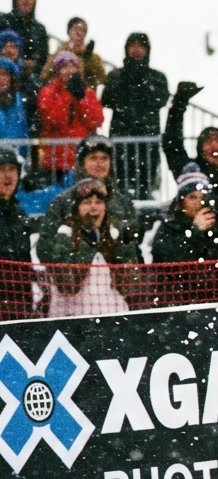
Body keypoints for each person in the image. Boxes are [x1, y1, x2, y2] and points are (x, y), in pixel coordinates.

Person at [36, 178, 141, 316]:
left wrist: (125, 246)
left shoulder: (113, 236)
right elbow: (68, 287)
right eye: (86, 203)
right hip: (73, 319)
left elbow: (130, 286)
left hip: (112, 316)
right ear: (75, 209)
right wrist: (89, 250)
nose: (93, 207)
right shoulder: (64, 235)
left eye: (99, 202)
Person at [101, 32, 168, 200]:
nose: (136, 50)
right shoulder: (116, 76)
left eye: (141, 46)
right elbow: (106, 100)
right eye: (133, 46)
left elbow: (161, 99)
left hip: (147, 142)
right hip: (121, 140)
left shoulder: (157, 77)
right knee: (119, 186)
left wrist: (141, 86)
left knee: (145, 187)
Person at [162, 82, 218, 217]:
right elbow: (172, 144)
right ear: (200, 148)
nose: (214, 145)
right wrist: (179, 102)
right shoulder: (191, 171)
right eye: (208, 140)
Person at [39, 136, 136, 244]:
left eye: (104, 158)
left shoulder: (123, 203)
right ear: (81, 163)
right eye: (93, 158)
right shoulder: (62, 202)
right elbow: (46, 245)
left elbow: (133, 245)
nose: (100, 164)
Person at [35, 50, 102, 186]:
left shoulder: (86, 92)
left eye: (73, 66)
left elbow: (96, 120)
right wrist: (68, 96)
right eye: (64, 66)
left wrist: (81, 98)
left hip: (81, 158)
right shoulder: (48, 92)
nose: (69, 70)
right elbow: (53, 120)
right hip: (56, 159)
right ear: (57, 70)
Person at [151, 166, 218, 264]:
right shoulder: (169, 228)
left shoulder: (214, 223)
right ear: (180, 203)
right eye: (192, 197)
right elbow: (171, 262)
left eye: (203, 197)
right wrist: (194, 233)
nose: (199, 202)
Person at [0, 145, 30, 318]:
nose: (8, 175)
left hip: (17, 306)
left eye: (12, 169)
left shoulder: (20, 214)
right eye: (2, 169)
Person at [39, 17, 103, 87]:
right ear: (68, 32)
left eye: (83, 30)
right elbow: (45, 74)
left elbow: (100, 79)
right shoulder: (59, 52)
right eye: (75, 29)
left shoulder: (93, 57)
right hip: (59, 91)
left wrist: (88, 57)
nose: (79, 33)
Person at [0, 0, 48, 78]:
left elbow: (42, 60)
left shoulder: (39, 30)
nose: (26, 1)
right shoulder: (3, 21)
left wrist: (31, 66)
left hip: (26, 80)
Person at [0, 57, 25, 147]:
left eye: (5, 74)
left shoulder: (19, 100)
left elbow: (23, 131)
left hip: (17, 156)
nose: (1, 79)